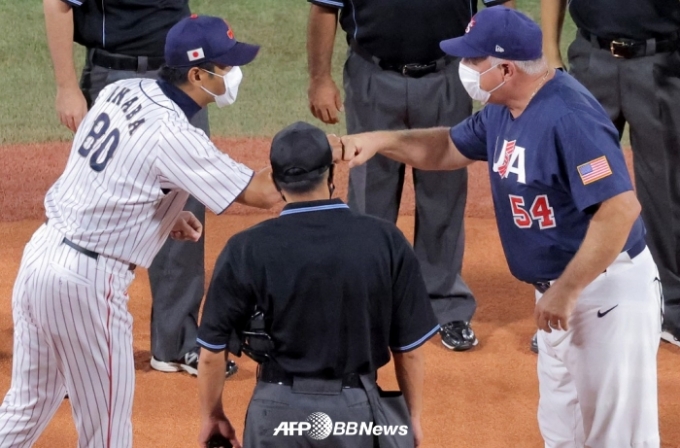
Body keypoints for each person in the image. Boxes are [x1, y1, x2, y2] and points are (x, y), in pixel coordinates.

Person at [340, 8, 662, 447]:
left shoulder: (569, 118)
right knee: (562, 431)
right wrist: (379, 141)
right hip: (559, 293)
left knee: (615, 437)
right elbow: (447, 147)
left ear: (506, 68)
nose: (465, 70)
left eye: (473, 61)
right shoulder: (504, 109)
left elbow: (619, 209)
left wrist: (566, 290)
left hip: (603, 295)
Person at [0, 15, 279, 447]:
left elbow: (107, 173)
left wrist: (164, 217)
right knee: (108, 433)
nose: (232, 74)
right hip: (87, 285)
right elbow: (261, 193)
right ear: (197, 74)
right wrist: (322, 157)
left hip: (41, 257)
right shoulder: (175, 134)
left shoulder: (120, 90)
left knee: (26, 408)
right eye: (224, 67)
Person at [195, 122, 440, 448]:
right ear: (331, 176)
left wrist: (213, 416)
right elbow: (408, 351)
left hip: (275, 411)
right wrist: (412, 418)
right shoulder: (385, 240)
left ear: (276, 181)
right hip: (355, 413)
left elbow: (212, 354)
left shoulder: (245, 248)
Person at [306, 0, 515, 351]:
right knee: (370, 193)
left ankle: (445, 305)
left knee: (444, 193)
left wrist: (499, 72)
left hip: (449, 76)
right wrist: (319, 78)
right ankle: (368, 302)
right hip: (371, 74)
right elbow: (324, 8)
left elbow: (500, 7)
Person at [43, 0, 234, 376]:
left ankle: (176, 342)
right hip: (114, 74)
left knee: (185, 199)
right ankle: (78, 347)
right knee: (104, 206)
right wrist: (67, 86)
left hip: (181, 76)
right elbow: (57, 4)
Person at [541, 0, 680, 349]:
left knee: (666, 190)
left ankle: (671, 307)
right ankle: (560, 302)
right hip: (592, 62)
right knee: (578, 184)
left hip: (662, 64)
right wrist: (549, 53)